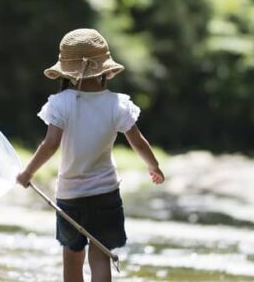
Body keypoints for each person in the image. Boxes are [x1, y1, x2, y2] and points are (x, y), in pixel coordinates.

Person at [16, 28, 165, 282]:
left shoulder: (60, 103)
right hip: (105, 193)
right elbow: (138, 142)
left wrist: (28, 172)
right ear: (106, 69)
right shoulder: (118, 104)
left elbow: (50, 144)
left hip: (70, 195)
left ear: (68, 71)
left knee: (72, 259)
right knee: (100, 256)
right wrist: (154, 166)